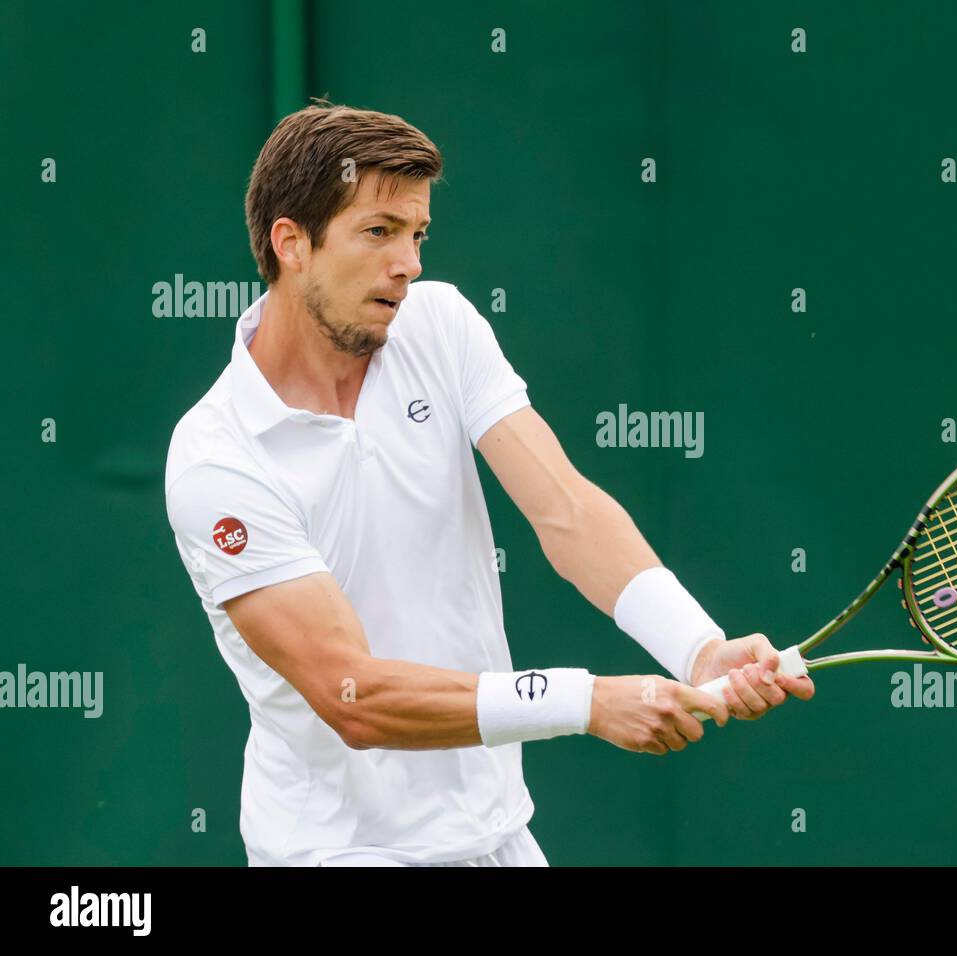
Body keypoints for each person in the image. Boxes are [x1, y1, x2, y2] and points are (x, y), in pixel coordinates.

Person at [163, 102, 814, 867]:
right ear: (291, 244)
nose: (408, 263)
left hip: (496, 832)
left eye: (417, 235)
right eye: (378, 232)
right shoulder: (217, 459)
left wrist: (698, 647)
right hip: (339, 851)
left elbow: (565, 509)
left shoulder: (438, 324)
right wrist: (587, 702)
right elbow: (354, 694)